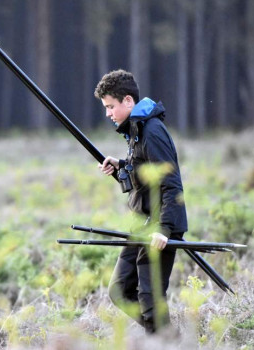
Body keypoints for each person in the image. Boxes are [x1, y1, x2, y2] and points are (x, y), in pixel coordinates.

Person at [94, 70, 188, 333]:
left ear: (127, 101)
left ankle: (164, 342)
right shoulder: (136, 130)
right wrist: (122, 165)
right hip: (142, 225)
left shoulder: (152, 131)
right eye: (105, 108)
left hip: (159, 226)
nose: (108, 113)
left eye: (110, 106)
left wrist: (164, 228)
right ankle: (163, 338)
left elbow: (171, 184)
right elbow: (147, 171)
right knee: (119, 291)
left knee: (149, 299)